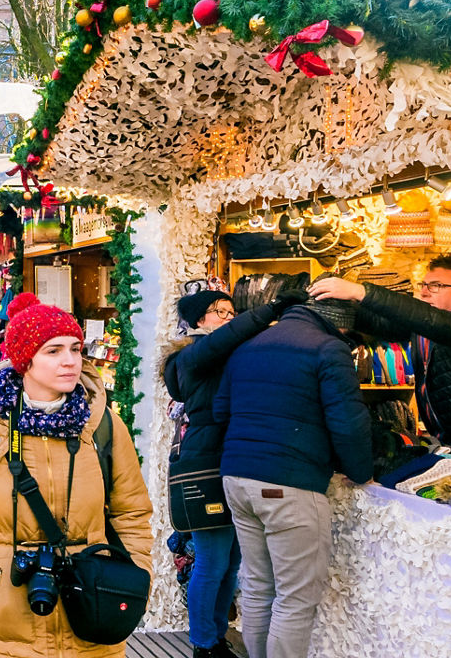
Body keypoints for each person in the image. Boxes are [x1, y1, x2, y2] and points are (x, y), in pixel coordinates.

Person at [0, 293, 154, 657]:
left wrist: (135, 577)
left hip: (93, 617)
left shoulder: (104, 426)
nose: (70, 361)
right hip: (4, 624)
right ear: (25, 361)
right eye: (54, 351)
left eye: (76, 349)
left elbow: (133, 513)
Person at [213, 296, 373, 658]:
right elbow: (348, 423)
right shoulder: (329, 350)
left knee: (257, 587)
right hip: (289, 481)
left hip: (237, 476)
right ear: (340, 323)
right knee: (295, 598)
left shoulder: (247, 345)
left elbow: (221, 410)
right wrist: (360, 471)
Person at [162, 282, 291, 658]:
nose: (229, 317)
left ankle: (217, 636)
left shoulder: (222, 353)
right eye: (220, 311)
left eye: (231, 312)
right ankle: (204, 643)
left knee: (232, 561)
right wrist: (268, 312)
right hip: (206, 463)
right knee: (213, 559)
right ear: (199, 319)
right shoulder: (194, 354)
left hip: (229, 460)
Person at [312, 255, 451, 446]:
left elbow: (436, 323)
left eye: (437, 286)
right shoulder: (431, 321)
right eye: (424, 285)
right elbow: (389, 324)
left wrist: (361, 292)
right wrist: (333, 310)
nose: (424, 292)